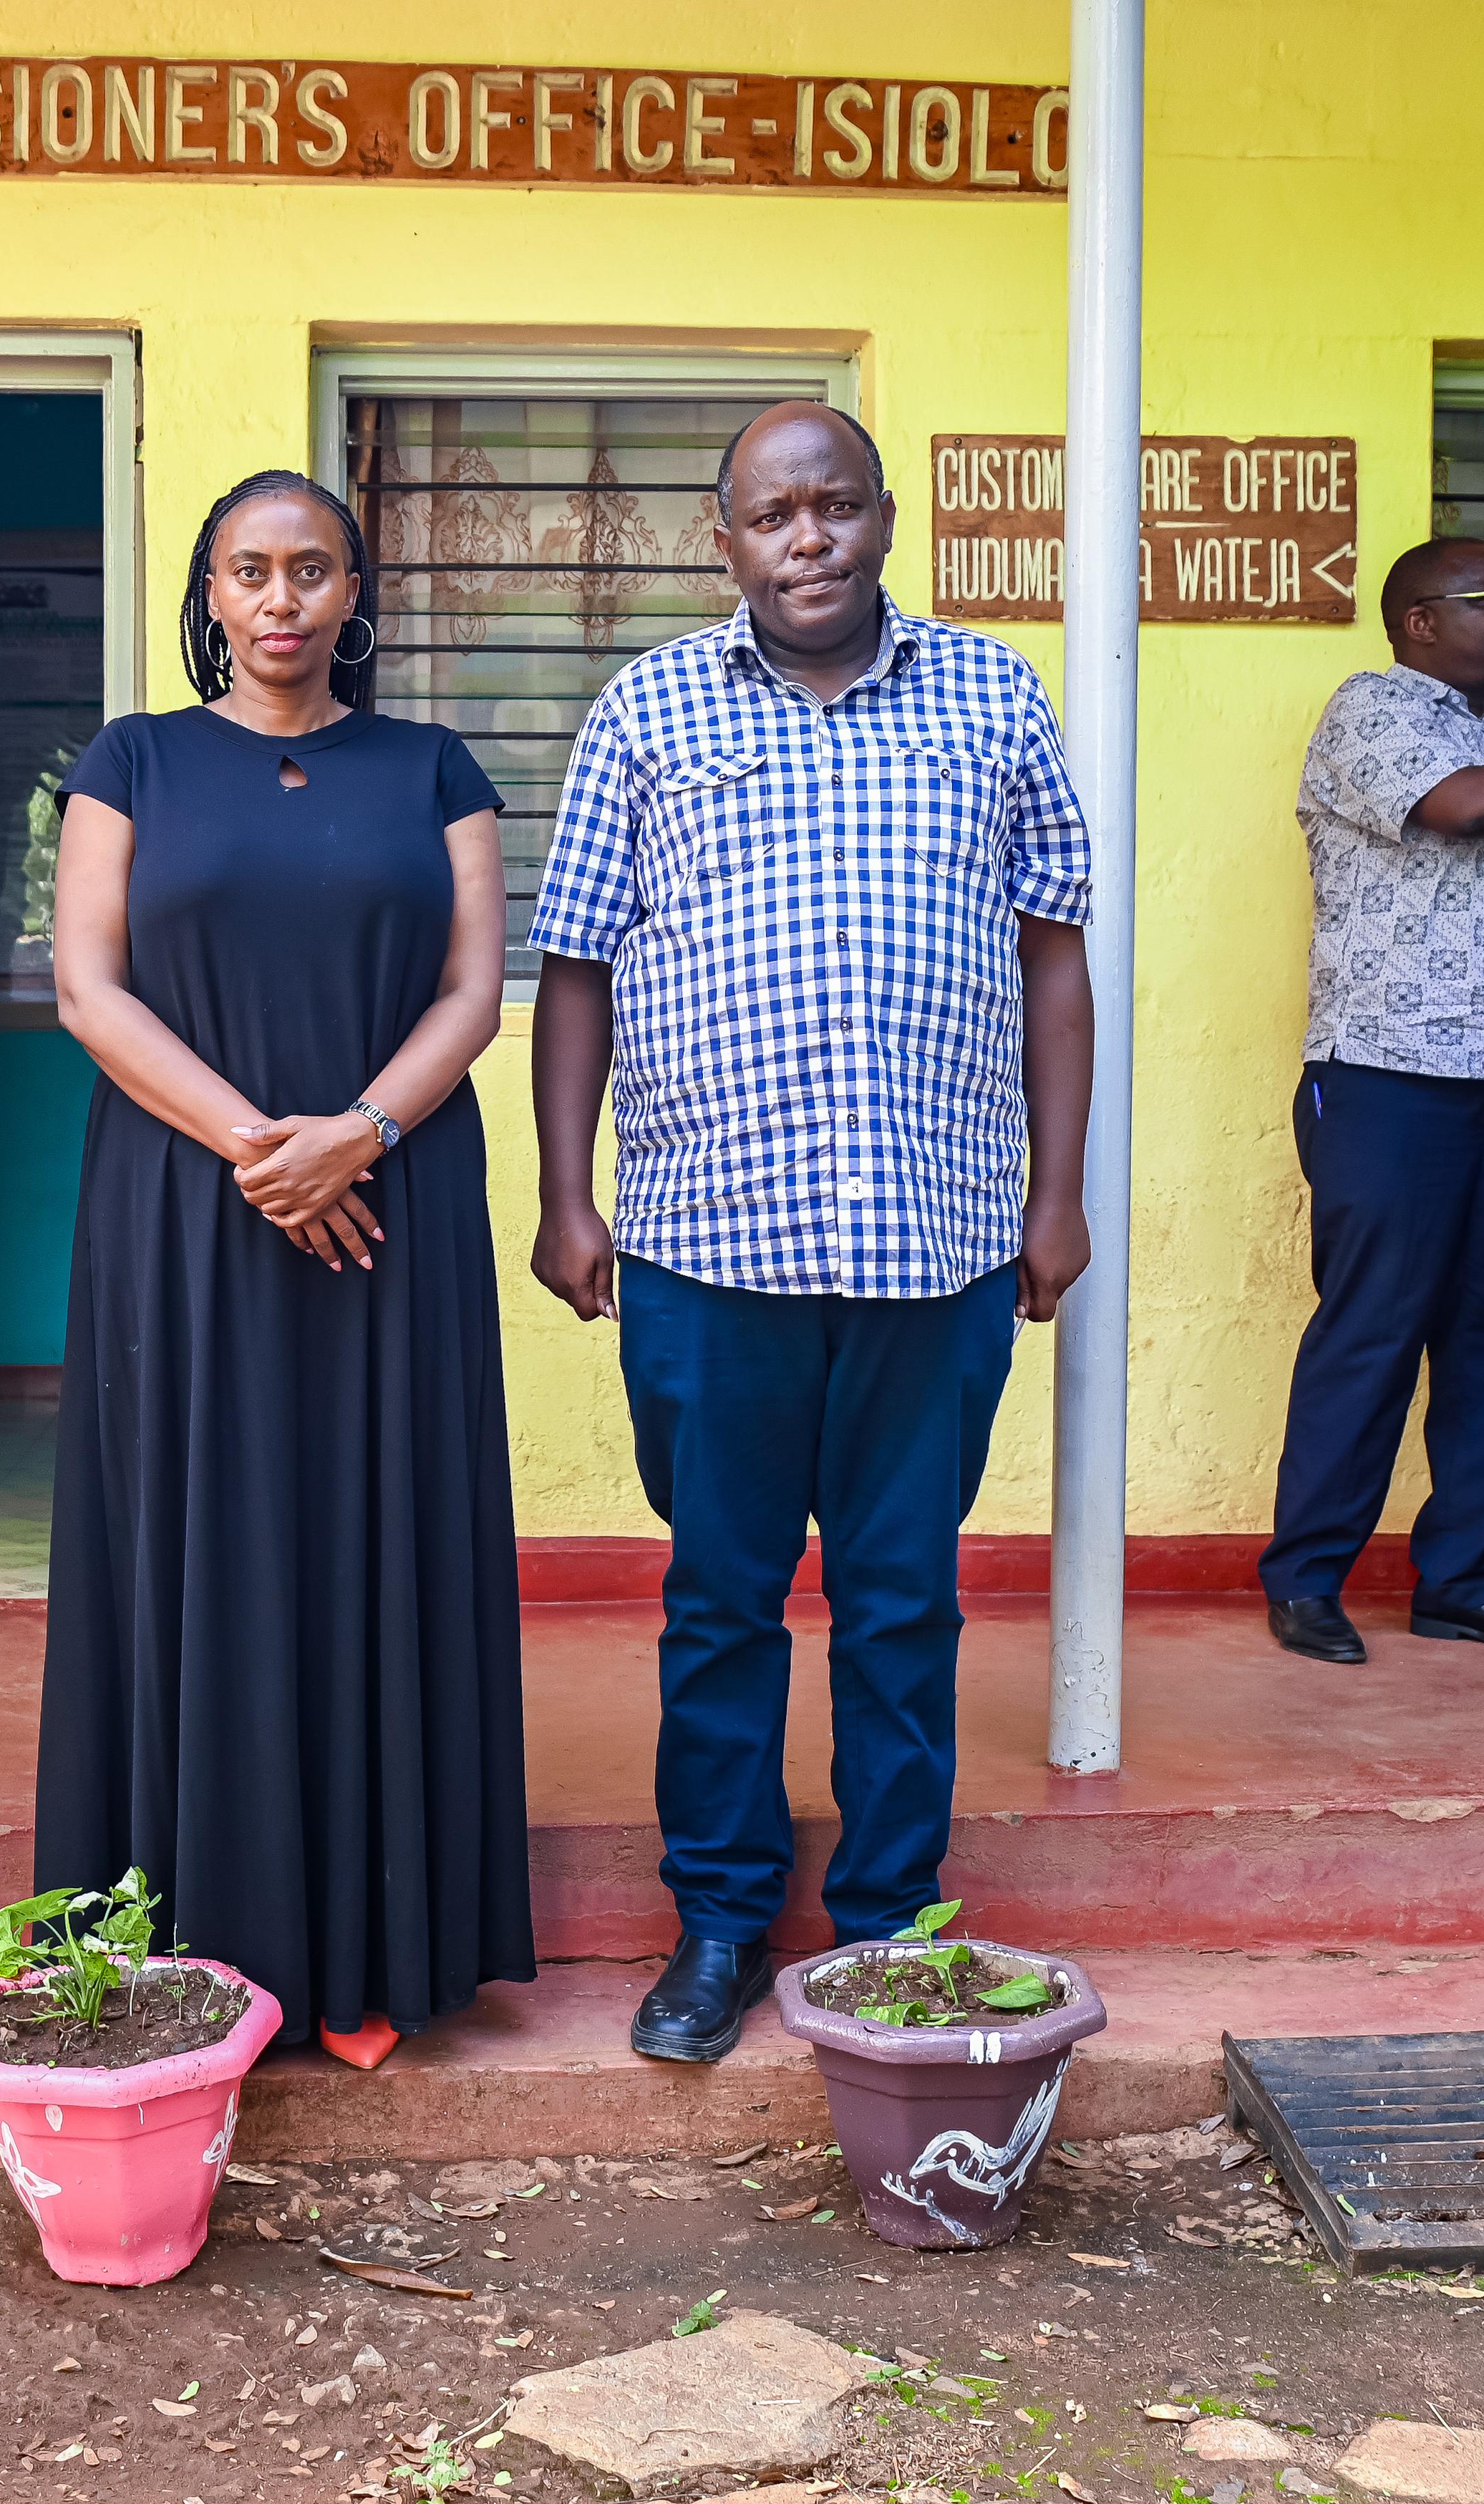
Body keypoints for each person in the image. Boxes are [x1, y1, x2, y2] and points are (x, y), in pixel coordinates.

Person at [527, 402, 1096, 2064]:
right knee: (718, 1598)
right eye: (774, 514)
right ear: (726, 539)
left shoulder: (991, 695)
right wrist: (568, 1194)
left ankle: (885, 1931)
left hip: (940, 1242)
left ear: (882, 519)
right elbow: (576, 968)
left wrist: (1055, 1195)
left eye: (837, 506)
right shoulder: (648, 709)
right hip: (710, 1244)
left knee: (903, 1599)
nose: (809, 539)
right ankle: (715, 1917)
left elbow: (1052, 954)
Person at [35, 468, 534, 2071]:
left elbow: (474, 991)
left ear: (352, 591)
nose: (279, 600)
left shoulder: (434, 766)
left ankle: (378, 1949)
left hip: (391, 1214)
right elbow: (88, 991)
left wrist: (361, 1135)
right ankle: (198, 1943)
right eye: (248, 571)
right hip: (190, 1215)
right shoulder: (133, 762)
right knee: (198, 1532)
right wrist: (269, 1146)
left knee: (371, 1533)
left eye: (310, 570)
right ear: (208, 591)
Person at [1261, 539, 1484, 1665]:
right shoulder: (1369, 712)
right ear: (1421, 620)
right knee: (1370, 1334)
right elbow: (1465, 809)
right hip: (1386, 1078)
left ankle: (1461, 1578)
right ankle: (1308, 1578)